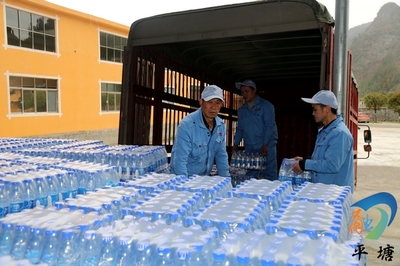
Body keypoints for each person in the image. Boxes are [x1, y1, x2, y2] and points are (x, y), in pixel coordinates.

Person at [291, 90, 355, 192]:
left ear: (327, 109)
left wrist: (305, 164)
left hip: (334, 195)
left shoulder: (340, 133)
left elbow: (332, 165)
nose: (313, 113)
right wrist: (305, 159)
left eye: (315, 110)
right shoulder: (325, 131)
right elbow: (323, 157)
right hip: (323, 191)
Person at [169, 84, 230, 177]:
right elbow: (179, 161)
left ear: (222, 105)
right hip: (185, 179)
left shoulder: (220, 126)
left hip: (203, 180)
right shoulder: (187, 125)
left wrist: (226, 181)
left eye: (217, 103)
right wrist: (182, 186)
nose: (213, 107)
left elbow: (221, 156)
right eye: (210, 102)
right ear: (201, 102)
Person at [233, 79, 278, 180]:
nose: (244, 94)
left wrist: (265, 143)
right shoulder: (242, 110)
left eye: (247, 91)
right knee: (251, 174)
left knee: (269, 172)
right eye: (242, 92)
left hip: (266, 146)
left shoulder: (266, 106)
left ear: (254, 91)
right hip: (250, 146)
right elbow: (240, 129)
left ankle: (271, 193)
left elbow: (269, 126)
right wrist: (235, 144)